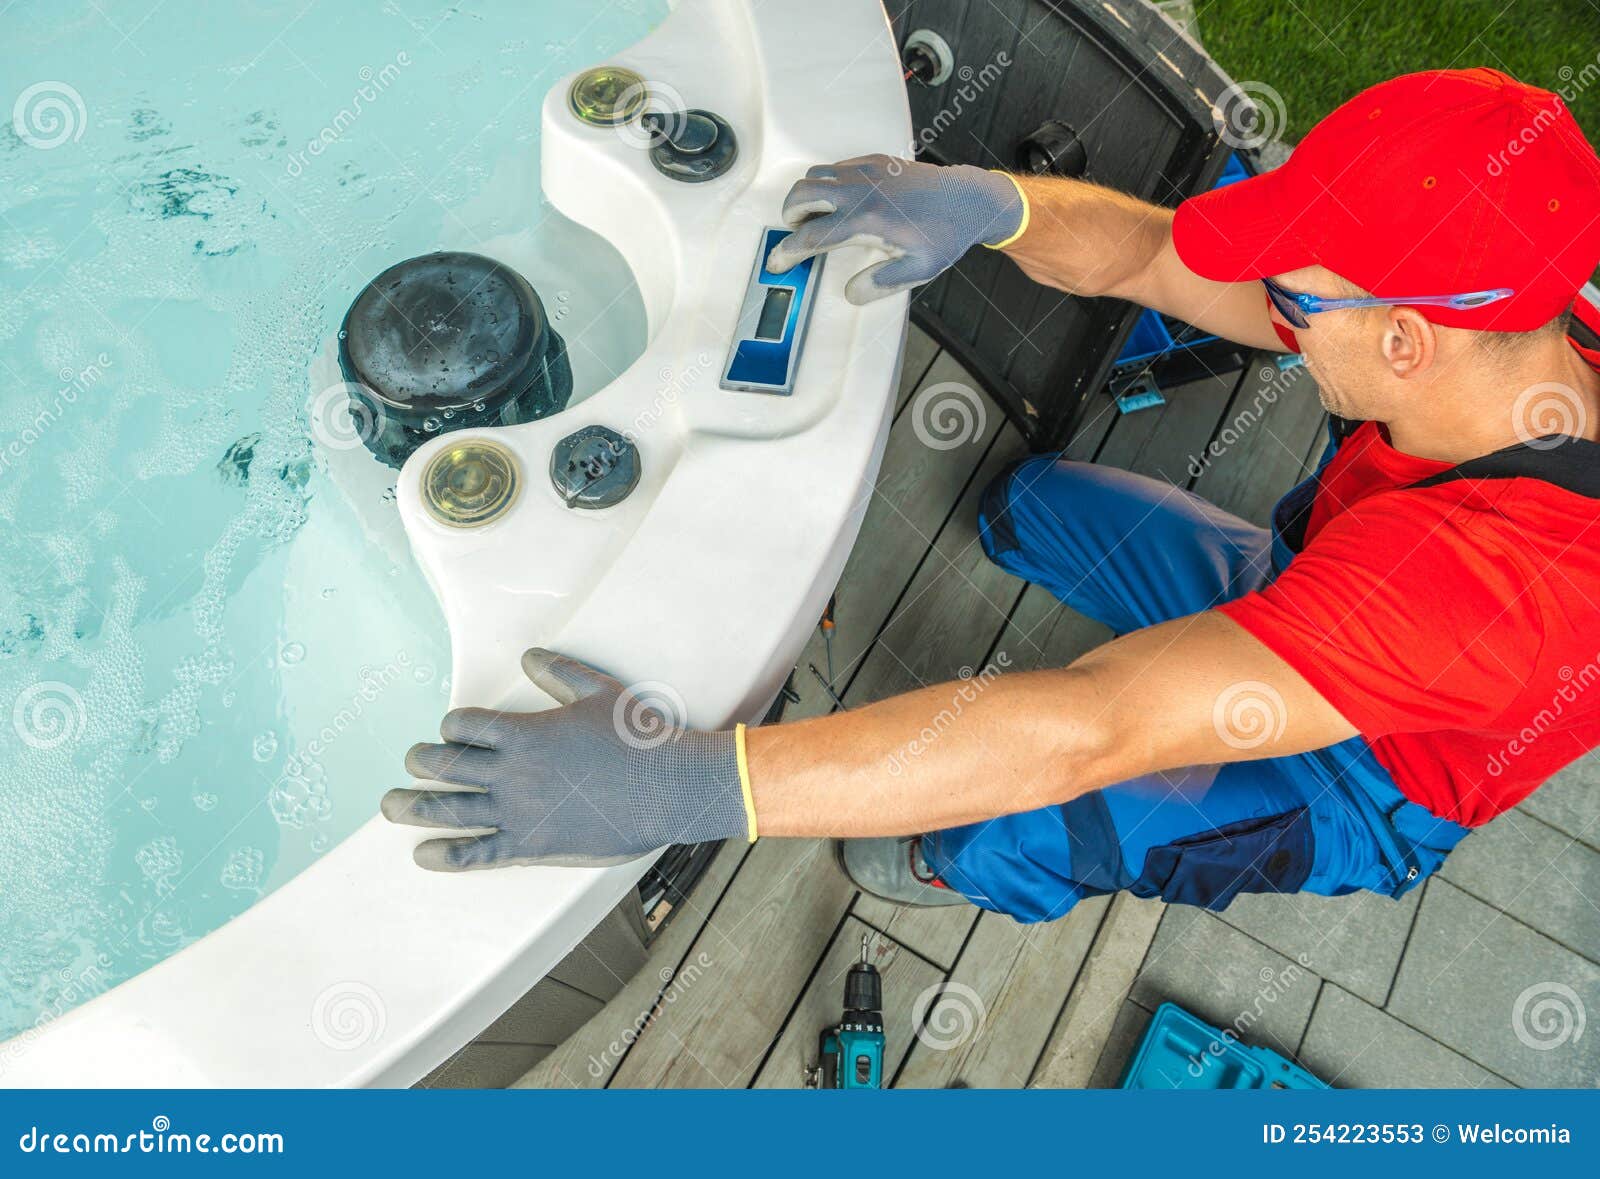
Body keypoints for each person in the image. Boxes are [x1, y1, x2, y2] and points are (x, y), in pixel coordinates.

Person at [382, 68, 1600, 925]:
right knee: (1035, 505)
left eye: (1299, 296)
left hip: (1370, 770)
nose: (1273, 310)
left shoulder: (1494, 596)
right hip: (1326, 571)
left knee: (1038, 808)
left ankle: (954, 864)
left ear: (1403, 345)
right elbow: (1147, 257)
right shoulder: (1538, 316)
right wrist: (992, 204)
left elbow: (1095, 727)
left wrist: (696, 786)